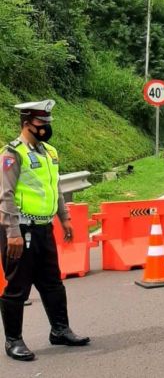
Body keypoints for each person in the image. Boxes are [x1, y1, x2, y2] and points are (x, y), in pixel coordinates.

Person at [0, 100, 90, 362]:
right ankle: (13, 340)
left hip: (43, 228)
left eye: (48, 124)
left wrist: (65, 218)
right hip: (20, 231)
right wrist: (12, 232)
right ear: (26, 123)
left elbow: (55, 188)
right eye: (41, 124)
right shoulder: (12, 154)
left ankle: (60, 330)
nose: (46, 128)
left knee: (52, 283)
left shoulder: (50, 151)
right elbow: (4, 196)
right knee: (17, 287)